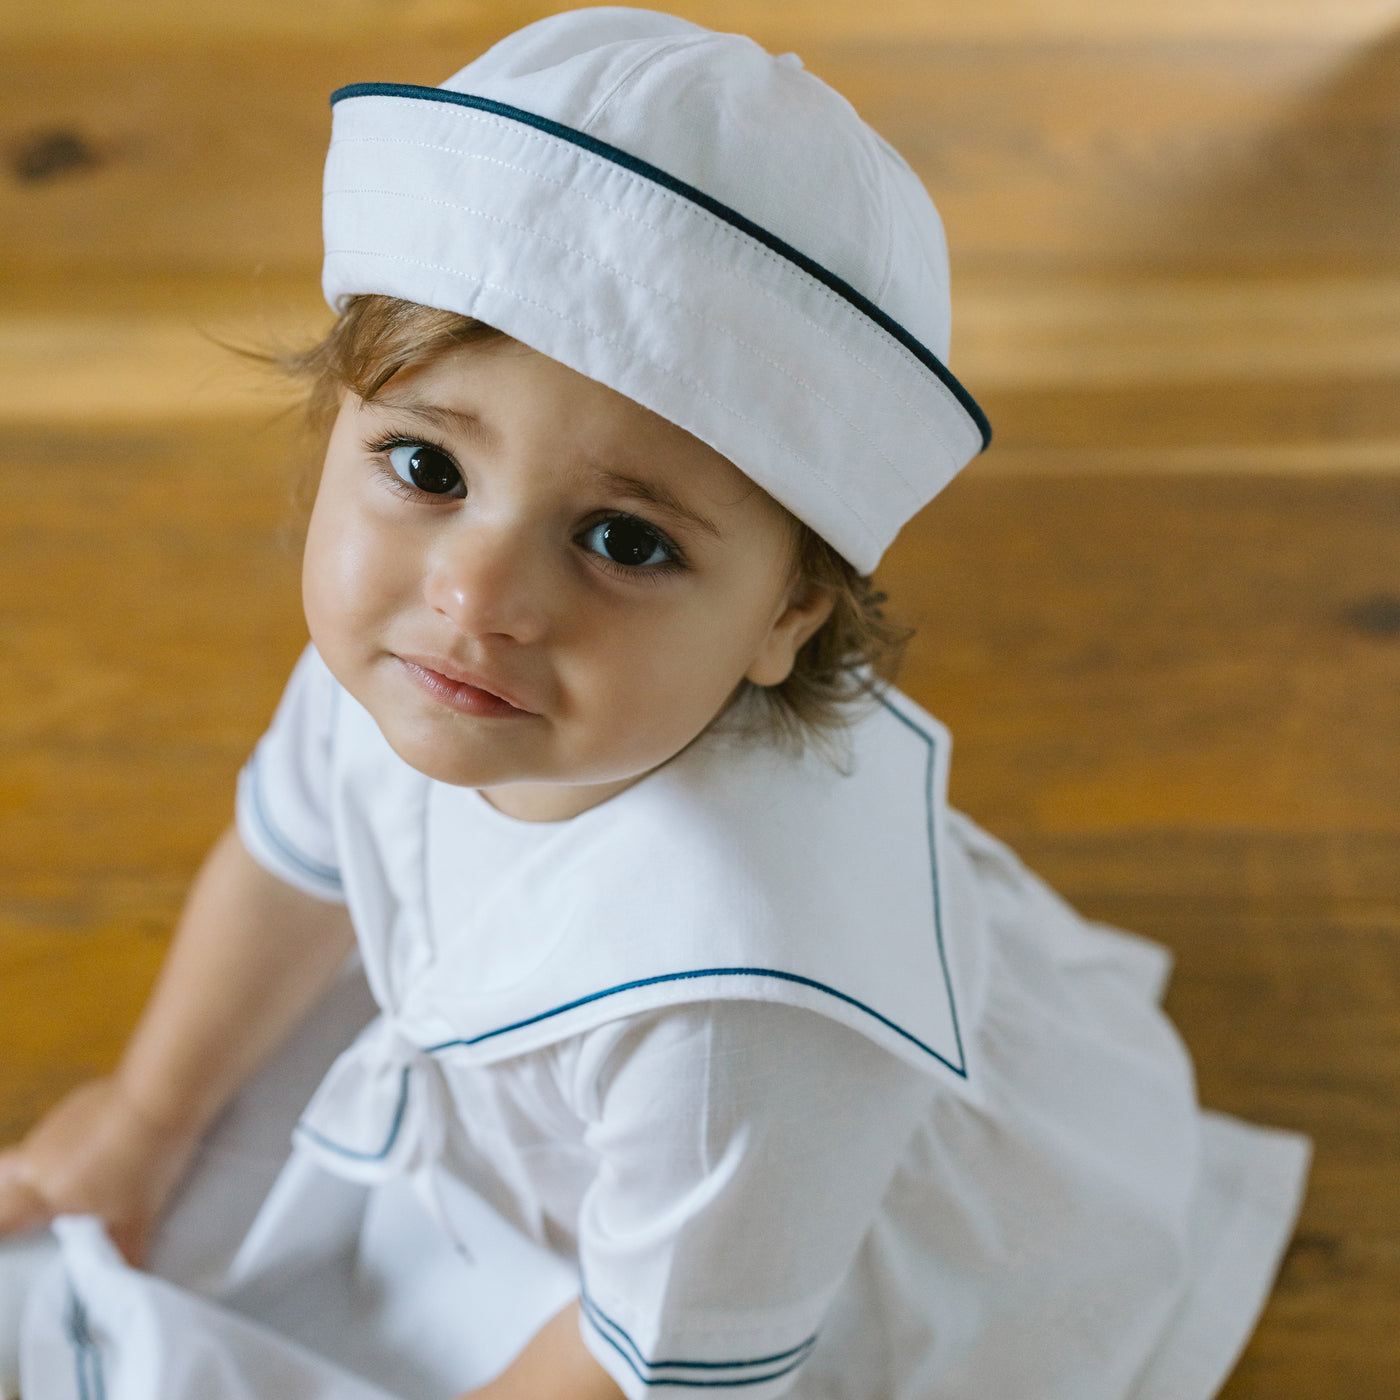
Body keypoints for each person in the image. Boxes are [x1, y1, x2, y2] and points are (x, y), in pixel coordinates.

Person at [0, 9, 1310, 1400]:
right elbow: (297, 862)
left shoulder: (741, 1003)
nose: (475, 594)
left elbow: (651, 1356)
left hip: (768, 1262)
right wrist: (148, 1113)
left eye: (625, 542)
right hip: (579, 1130)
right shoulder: (410, 668)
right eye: (427, 467)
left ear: (788, 616)